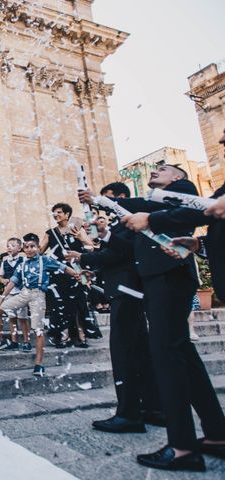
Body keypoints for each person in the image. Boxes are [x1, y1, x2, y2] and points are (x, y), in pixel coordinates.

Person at [81, 164, 225, 471]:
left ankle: (183, 446)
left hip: (168, 275)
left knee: (167, 355)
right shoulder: (159, 202)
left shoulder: (182, 192)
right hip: (161, 276)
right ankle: (216, 433)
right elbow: (140, 218)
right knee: (182, 353)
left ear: (178, 177)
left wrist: (107, 203)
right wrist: (104, 213)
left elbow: (160, 209)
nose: (158, 170)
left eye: (165, 168)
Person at [68, 182, 163, 434]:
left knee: (123, 354)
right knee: (140, 352)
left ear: (120, 198)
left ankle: (129, 414)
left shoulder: (130, 221)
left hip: (127, 291)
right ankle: (153, 408)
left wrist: (81, 256)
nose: (103, 204)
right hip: (128, 290)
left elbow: (118, 254)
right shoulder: (123, 224)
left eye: (107, 199)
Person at [0, 233, 80, 377]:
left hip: (38, 295)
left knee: (37, 329)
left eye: (32, 246)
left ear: (38, 247)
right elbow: (13, 281)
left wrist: (76, 274)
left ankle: (39, 364)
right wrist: (1, 299)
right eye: (26, 247)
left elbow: (63, 267)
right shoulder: (22, 263)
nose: (29, 249)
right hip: (23, 293)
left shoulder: (45, 260)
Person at [40, 203, 97, 348]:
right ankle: (64, 335)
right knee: (60, 304)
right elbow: (40, 250)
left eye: (59, 212)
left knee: (79, 304)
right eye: (54, 212)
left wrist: (81, 238)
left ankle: (81, 335)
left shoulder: (76, 229)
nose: (56, 215)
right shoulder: (51, 233)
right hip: (58, 273)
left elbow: (91, 248)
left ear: (67, 215)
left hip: (77, 271)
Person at [0, 237, 30, 353]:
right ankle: (14, 341)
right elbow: (0, 277)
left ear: (19, 248)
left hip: (21, 292)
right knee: (12, 318)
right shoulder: (5, 262)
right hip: (10, 293)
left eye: (12, 245)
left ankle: (27, 341)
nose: (9, 247)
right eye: (7, 245)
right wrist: (4, 280)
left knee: (22, 318)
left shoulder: (24, 260)